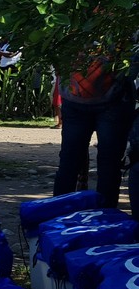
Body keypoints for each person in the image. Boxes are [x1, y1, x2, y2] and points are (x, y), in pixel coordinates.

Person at [54, 53, 136, 208]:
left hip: (76, 98)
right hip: (113, 99)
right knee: (109, 164)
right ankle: (104, 219)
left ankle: (58, 216)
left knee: (69, 161)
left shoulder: (62, 31)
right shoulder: (119, 30)